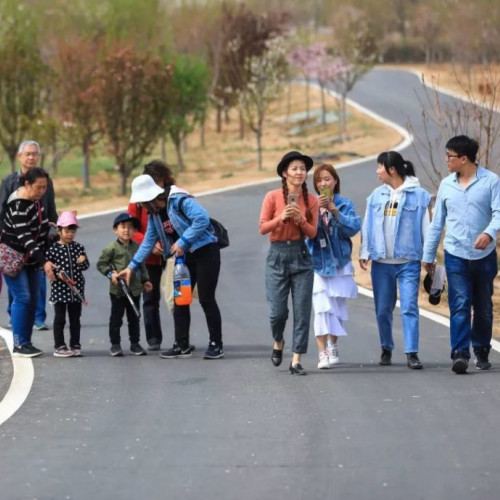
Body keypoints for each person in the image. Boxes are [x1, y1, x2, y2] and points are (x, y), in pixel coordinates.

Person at [118, 166, 224, 360]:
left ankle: (216, 344)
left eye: (142, 202)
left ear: (151, 198)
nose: (141, 207)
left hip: (206, 251)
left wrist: (183, 241)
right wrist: (131, 267)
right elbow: (149, 241)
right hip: (185, 258)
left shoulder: (179, 200)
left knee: (207, 298)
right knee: (179, 300)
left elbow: (202, 219)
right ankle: (181, 345)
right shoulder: (154, 215)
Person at [422, 135, 500, 374]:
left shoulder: (491, 181)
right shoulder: (446, 185)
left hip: (484, 257)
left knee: (483, 306)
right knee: (460, 303)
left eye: (450, 156)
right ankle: (460, 354)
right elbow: (437, 224)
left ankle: (482, 349)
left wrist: (489, 233)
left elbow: (498, 213)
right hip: (455, 254)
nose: (446, 160)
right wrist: (428, 255)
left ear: (464, 159)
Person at [359, 151, 431, 370]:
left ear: (391, 170)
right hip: (382, 262)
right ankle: (386, 347)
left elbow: (426, 227)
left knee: (409, 306)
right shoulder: (375, 196)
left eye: (380, 166)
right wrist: (364, 251)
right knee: (382, 309)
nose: (377, 171)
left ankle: (412, 353)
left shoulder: (419, 195)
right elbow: (367, 224)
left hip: (409, 261)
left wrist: (428, 257)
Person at [259, 151, 319, 375]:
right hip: (277, 255)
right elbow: (262, 227)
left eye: (303, 169)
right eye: (294, 168)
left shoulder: (311, 200)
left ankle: (296, 359)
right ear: (284, 173)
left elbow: (313, 234)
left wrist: (301, 220)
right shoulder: (272, 197)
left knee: (302, 311)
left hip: (301, 255)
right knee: (277, 312)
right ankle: (278, 341)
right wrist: (281, 218)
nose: (299, 172)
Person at [306, 164, 361, 369]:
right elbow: (307, 236)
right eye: (319, 180)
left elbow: (353, 229)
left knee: (336, 309)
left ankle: (332, 345)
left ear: (335, 181)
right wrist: (316, 214)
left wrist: (334, 212)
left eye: (327, 179)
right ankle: (322, 354)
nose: (323, 184)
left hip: (339, 263)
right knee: (321, 309)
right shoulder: (311, 205)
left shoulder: (345, 204)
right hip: (319, 264)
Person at [0, 140, 57, 330]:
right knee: (18, 286)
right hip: (15, 244)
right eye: (28, 154)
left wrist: (53, 227)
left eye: (34, 154)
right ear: (19, 157)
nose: (31, 157)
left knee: (37, 283)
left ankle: (38, 319)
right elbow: (3, 212)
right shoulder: (9, 183)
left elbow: (51, 210)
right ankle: (16, 321)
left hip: (39, 240)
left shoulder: (45, 181)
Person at [1, 167, 50, 357]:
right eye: (39, 187)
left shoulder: (37, 201)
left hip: (31, 258)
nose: (42, 191)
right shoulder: (17, 205)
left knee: (33, 299)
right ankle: (19, 344)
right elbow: (25, 238)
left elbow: (42, 229)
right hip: (13, 257)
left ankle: (27, 342)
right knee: (22, 297)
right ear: (27, 184)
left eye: (45, 187)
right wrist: (44, 261)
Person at [97, 213, 152, 357]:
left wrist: (145, 280)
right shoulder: (111, 248)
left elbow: (142, 265)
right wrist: (111, 274)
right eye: (123, 227)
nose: (126, 230)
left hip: (134, 290)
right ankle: (115, 345)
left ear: (134, 231)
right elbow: (101, 264)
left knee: (134, 317)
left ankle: (135, 344)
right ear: (115, 230)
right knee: (116, 318)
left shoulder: (137, 247)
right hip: (118, 291)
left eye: (130, 227)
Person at [128, 160, 168, 351]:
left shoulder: (170, 196)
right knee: (150, 298)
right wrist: (149, 244)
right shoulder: (137, 201)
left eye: (160, 179)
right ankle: (153, 339)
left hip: (172, 255)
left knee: (178, 298)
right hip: (148, 257)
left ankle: (181, 339)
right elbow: (131, 230)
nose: (158, 184)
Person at [45, 211, 89, 357]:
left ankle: (75, 344)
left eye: (73, 231)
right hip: (59, 290)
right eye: (67, 231)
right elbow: (47, 269)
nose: (70, 234)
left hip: (76, 290)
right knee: (60, 319)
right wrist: (58, 275)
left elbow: (85, 266)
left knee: (75, 319)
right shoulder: (52, 250)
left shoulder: (79, 247)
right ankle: (59, 346)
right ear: (59, 230)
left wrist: (83, 261)